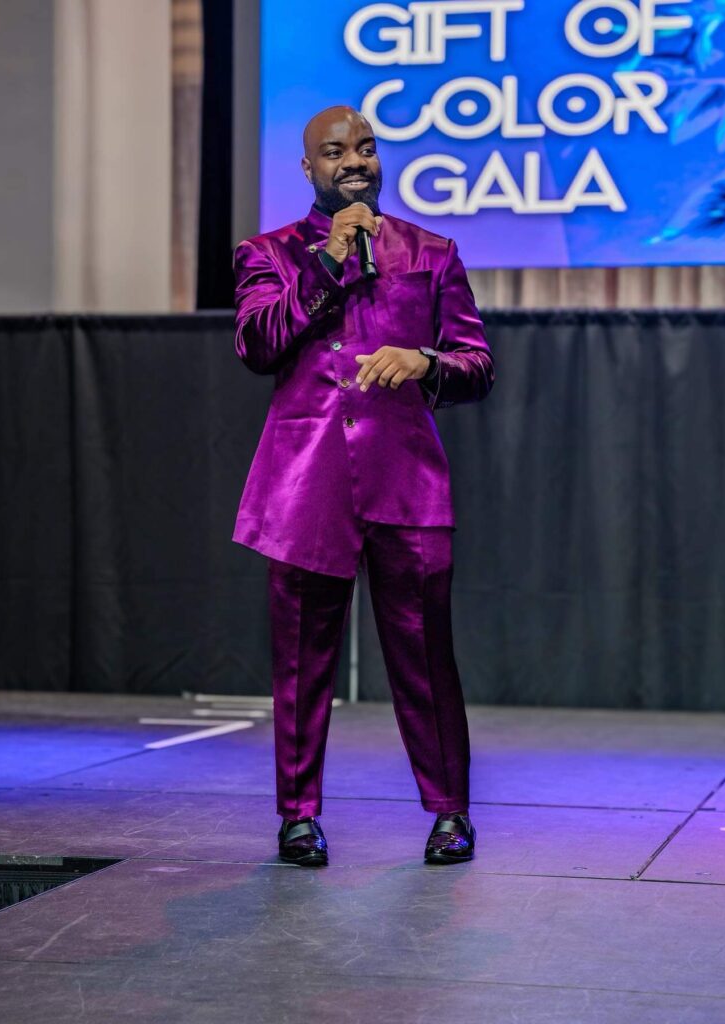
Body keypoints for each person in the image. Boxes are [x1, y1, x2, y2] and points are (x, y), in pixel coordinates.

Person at [232, 105, 494, 867]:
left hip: (405, 482)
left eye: (367, 148)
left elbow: (476, 364)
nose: (354, 161)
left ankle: (449, 814)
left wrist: (428, 362)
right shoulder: (268, 253)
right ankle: (298, 816)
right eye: (335, 151)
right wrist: (324, 266)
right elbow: (256, 344)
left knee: (424, 657)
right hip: (304, 487)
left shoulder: (431, 251)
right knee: (300, 663)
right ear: (308, 169)